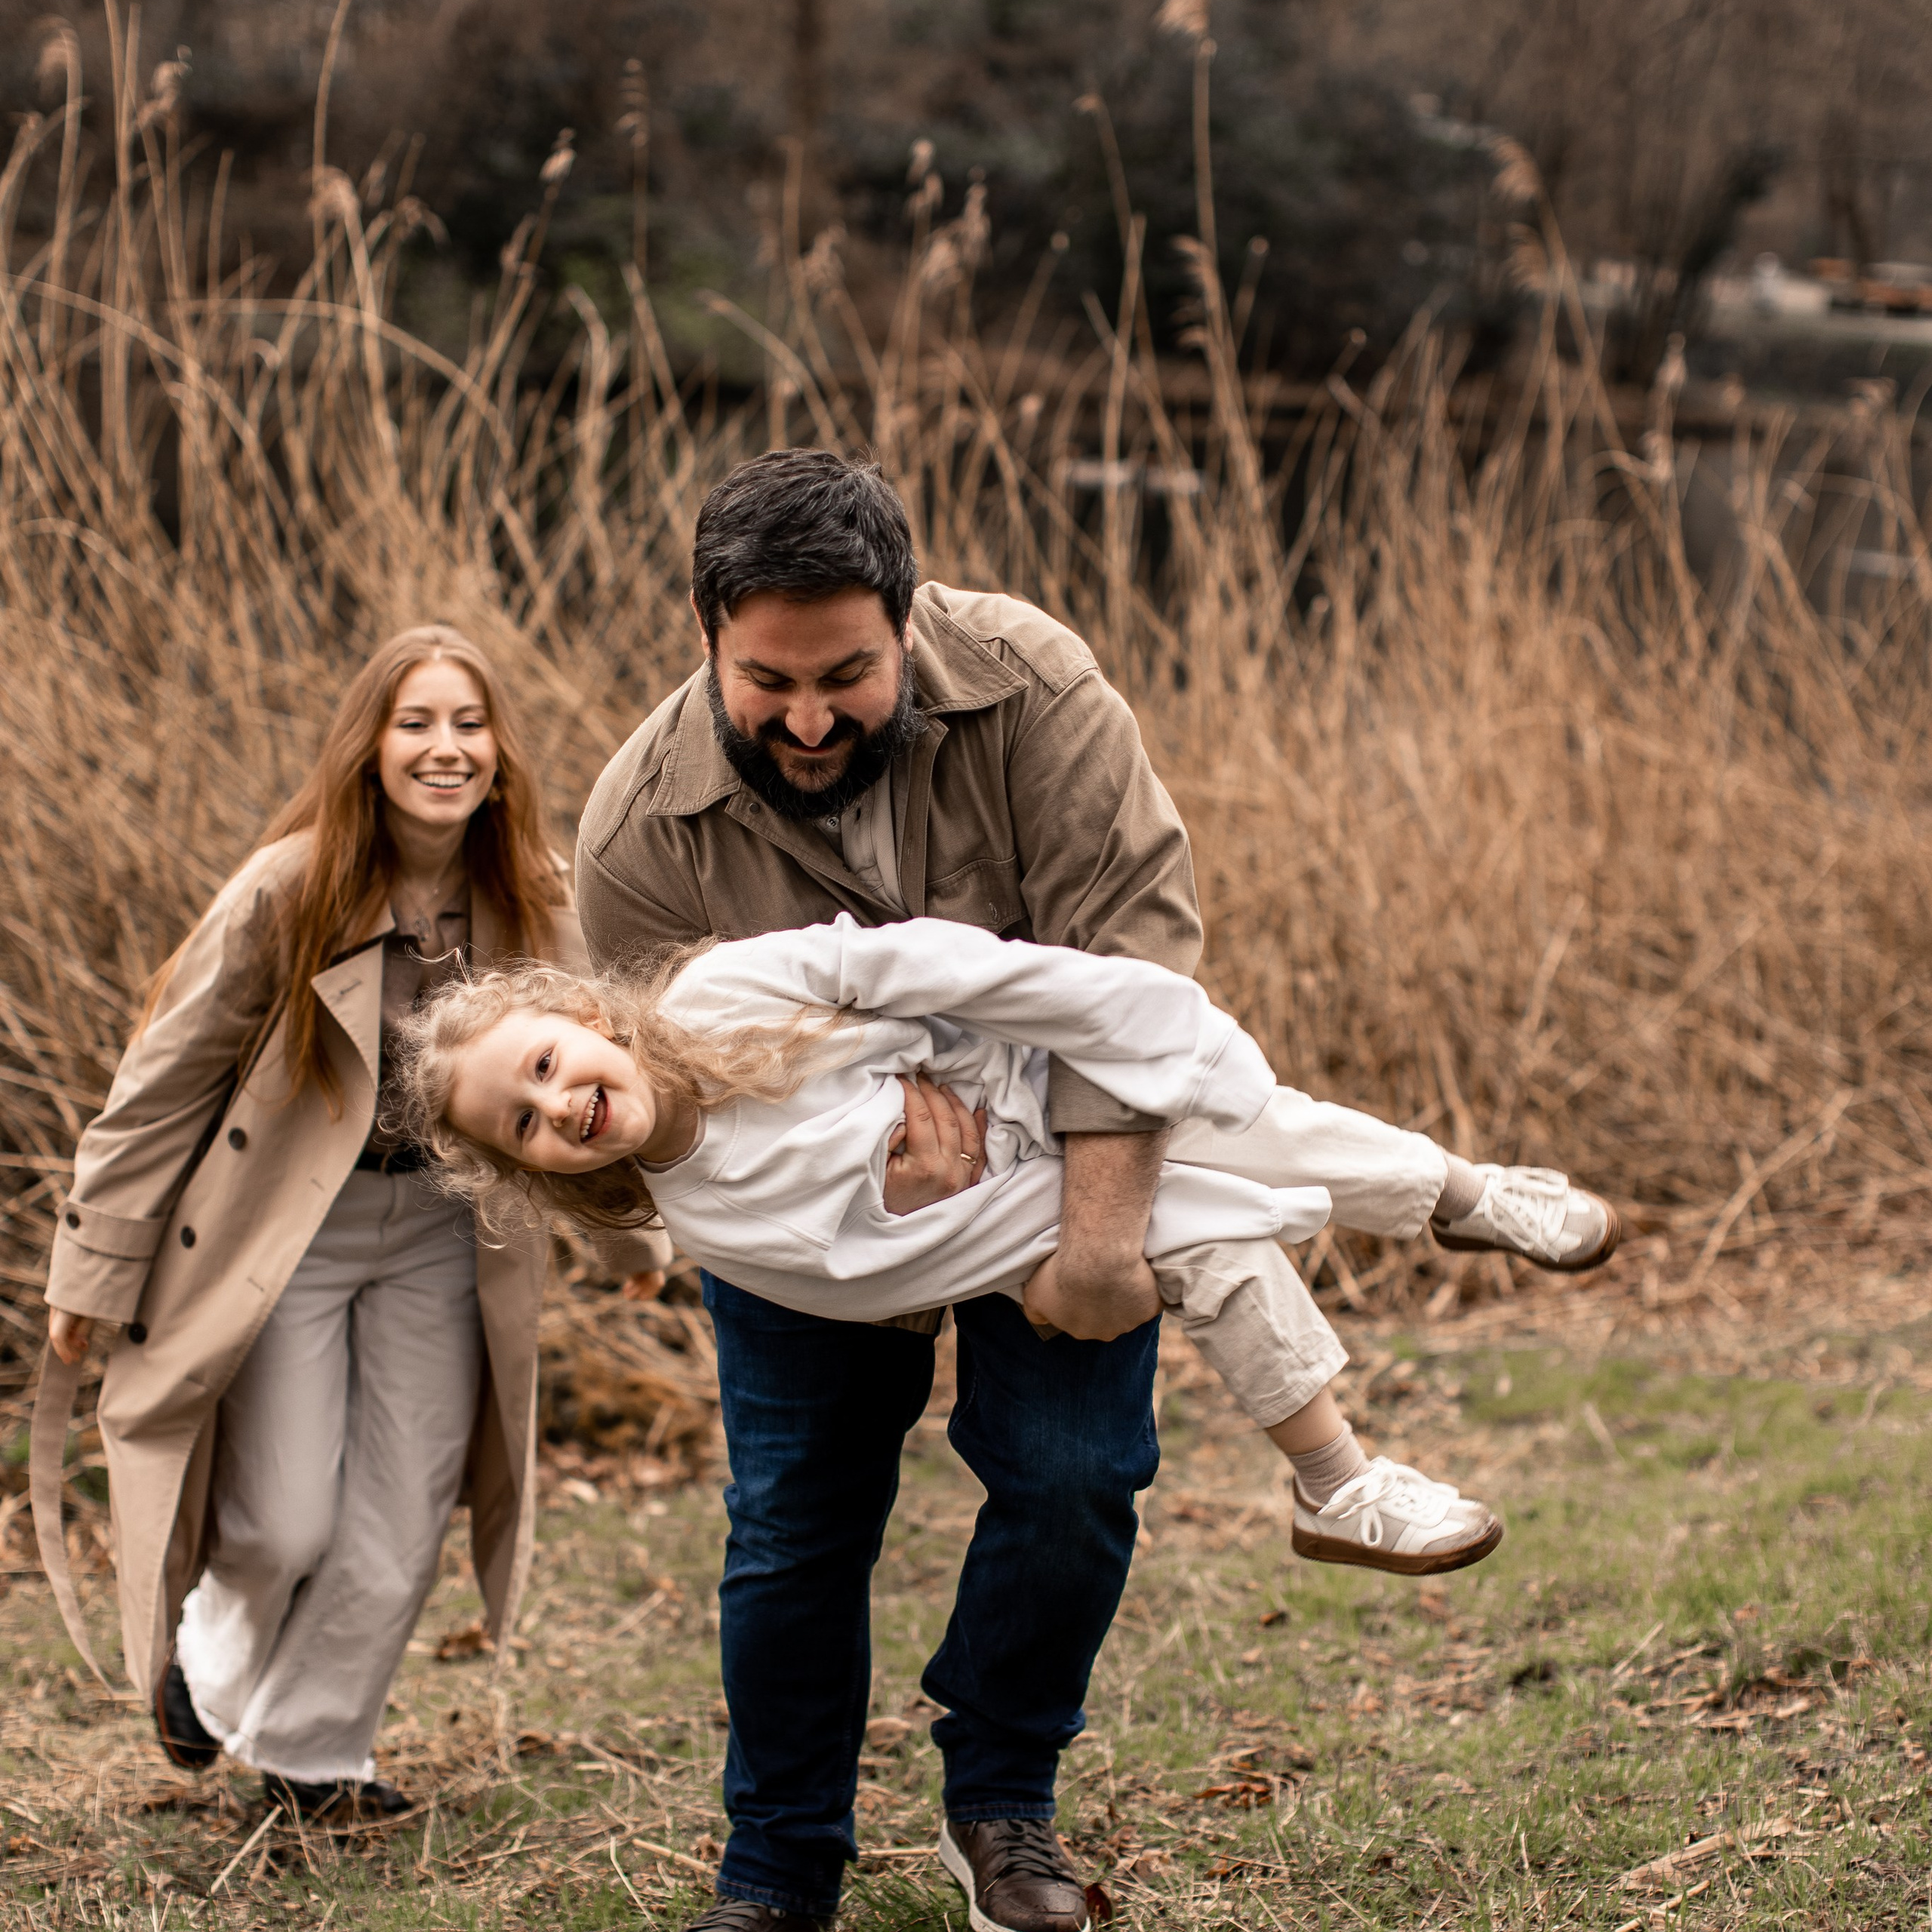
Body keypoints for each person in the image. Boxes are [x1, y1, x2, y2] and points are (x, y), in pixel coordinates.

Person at [566, 450, 1617, 1932]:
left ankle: (1000, 1804)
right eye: (767, 682)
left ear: (908, 619)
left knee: (1072, 1478)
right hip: (810, 1218)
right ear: (703, 636)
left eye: (846, 674)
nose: (806, 720)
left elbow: (1130, 963)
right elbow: (628, 1108)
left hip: (1061, 1153)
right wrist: (834, 1176)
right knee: (793, 1523)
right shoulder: (638, 832)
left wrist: (1099, 1241)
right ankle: (778, 1863)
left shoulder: (1035, 685)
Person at [399, 915, 1620, 1574]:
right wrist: (1015, 1248)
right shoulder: (711, 1220)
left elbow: (907, 969)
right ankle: (1338, 1483)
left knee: (1271, 1126)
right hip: (1013, 1225)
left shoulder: (723, 996)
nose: (559, 1104)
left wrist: (1094, 1016)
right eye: (526, 1124)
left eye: (548, 1065)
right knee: (1218, 1253)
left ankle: (1467, 1194)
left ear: (580, 1017)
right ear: (536, 1173)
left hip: (1043, 1080)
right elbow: (865, 1274)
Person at [34, 626, 669, 1823]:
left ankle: (317, 1758)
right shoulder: (292, 885)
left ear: (499, 750)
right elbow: (161, 1085)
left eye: (469, 725)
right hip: (293, 1232)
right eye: (417, 723)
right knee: (279, 1519)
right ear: (370, 747)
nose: (446, 748)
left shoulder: (532, 888)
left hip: (448, 1229)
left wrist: (635, 1238)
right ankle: (206, 1680)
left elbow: (602, 1067)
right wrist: (92, 1269)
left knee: (398, 1514)